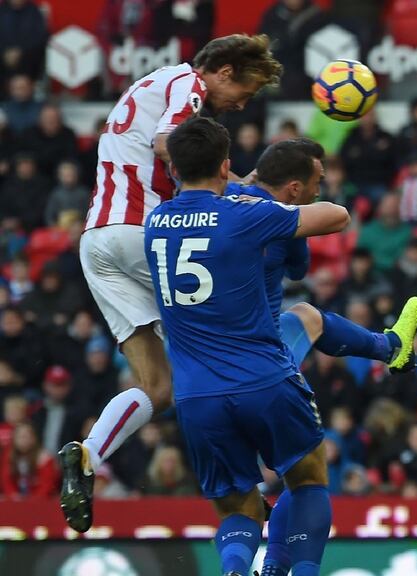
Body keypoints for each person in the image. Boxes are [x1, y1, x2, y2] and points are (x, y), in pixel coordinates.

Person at [58, 34, 284, 535]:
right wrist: (232, 197)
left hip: (99, 241)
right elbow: (169, 142)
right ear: (222, 71)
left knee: (158, 386)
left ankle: (87, 455)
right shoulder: (189, 84)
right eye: (244, 91)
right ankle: (243, 484)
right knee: (224, 351)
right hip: (146, 233)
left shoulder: (152, 82)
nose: (242, 104)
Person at [142, 117, 350, 576]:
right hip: (263, 379)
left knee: (239, 509)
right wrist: (251, 189)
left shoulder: (154, 222)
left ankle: (236, 570)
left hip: (197, 397)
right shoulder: (243, 214)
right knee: (308, 477)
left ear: (173, 169)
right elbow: (336, 216)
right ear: (226, 165)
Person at [222, 139, 417, 576]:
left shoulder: (214, 203)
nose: (321, 186)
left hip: (204, 372)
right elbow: (300, 265)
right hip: (261, 359)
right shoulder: (281, 217)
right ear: (294, 187)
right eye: (315, 181)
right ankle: (390, 348)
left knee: (239, 498)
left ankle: (249, 568)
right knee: (307, 470)